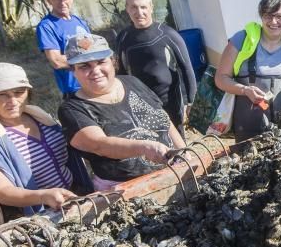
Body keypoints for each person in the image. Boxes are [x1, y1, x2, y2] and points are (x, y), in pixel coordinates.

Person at [0, 63, 89, 226]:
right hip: (40, 216)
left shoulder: (38, 116)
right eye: (2, 95)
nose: (13, 101)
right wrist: (43, 196)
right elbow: (2, 192)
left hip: (75, 196)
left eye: (19, 92)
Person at [58, 32, 186, 190]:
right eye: (84, 66)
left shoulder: (132, 82)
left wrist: (183, 153)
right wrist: (144, 147)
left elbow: (163, 117)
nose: (95, 70)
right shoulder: (72, 109)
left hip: (171, 171)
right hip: (123, 188)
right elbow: (100, 145)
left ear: (113, 61)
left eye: (100, 62)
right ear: (73, 72)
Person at [214, 0, 281, 141]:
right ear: (261, 17)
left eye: (280, 16)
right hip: (247, 128)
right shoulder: (242, 39)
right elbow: (221, 78)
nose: (274, 21)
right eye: (268, 15)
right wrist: (245, 90)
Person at [115, 0, 197, 135]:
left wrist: (190, 102)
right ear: (127, 9)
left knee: (177, 143)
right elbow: (120, 73)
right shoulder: (123, 37)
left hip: (170, 100)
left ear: (151, 8)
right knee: (152, 143)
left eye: (143, 7)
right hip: (140, 101)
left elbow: (187, 68)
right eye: (133, 7)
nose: (139, 12)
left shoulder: (168, 34)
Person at [36, 0, 91, 96]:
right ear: (48, 0)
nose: (62, 2)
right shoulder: (46, 26)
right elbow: (56, 61)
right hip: (74, 90)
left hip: (93, 83)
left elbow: (92, 48)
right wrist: (88, 60)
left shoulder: (80, 22)